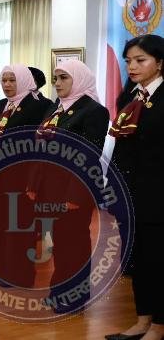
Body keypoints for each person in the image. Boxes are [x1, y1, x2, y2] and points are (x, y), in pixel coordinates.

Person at [35, 59, 109, 313]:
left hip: (74, 188)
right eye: (56, 78)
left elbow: (89, 156)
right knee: (58, 242)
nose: (57, 83)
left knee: (74, 243)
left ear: (79, 79)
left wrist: (74, 195)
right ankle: (58, 291)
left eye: (64, 77)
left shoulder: (94, 111)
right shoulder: (56, 107)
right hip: (51, 186)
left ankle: (75, 297)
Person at [107, 34, 164, 340]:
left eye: (141, 60)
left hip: (158, 196)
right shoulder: (131, 98)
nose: (132, 66)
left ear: (160, 63)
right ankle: (142, 320)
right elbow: (122, 147)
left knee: (158, 260)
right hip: (133, 194)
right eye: (128, 60)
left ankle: (159, 325)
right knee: (139, 261)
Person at [0, 64, 52, 286]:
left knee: (19, 227)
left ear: (24, 80)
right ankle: (0, 271)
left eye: (12, 80)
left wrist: (35, 180)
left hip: (23, 176)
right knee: (0, 225)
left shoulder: (41, 105)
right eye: (4, 80)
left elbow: (41, 145)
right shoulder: (0, 105)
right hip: (0, 174)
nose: (7, 85)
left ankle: (19, 276)